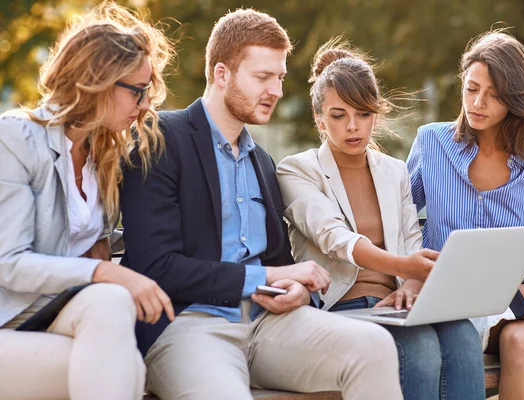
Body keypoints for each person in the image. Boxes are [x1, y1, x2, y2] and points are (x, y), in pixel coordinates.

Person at [119, 9, 403, 400]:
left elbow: (280, 262)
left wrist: (302, 292)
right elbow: (158, 266)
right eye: (262, 77)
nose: (277, 91)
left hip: (271, 323)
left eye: (281, 78)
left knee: (374, 348)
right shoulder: (161, 139)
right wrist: (264, 279)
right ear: (222, 74)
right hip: (189, 325)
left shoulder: (263, 163)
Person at [276, 38, 485, 400]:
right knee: (419, 348)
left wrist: (410, 285)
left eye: (364, 114)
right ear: (319, 118)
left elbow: (411, 241)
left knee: (463, 335)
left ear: (377, 112)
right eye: (339, 115)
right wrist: (406, 265)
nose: (353, 127)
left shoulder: (394, 171)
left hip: (397, 304)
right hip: (341, 307)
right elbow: (335, 238)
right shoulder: (296, 170)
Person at [0, 3, 175, 400]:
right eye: (137, 90)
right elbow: (8, 263)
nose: (145, 104)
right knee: (122, 364)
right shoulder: (15, 139)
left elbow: (100, 246)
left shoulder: (103, 155)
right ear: (97, 80)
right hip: (10, 323)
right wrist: (109, 273)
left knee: (112, 323)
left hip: (59, 315)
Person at [406, 30, 524, 399]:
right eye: (471, 88)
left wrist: (508, 258)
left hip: (508, 299)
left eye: (495, 95)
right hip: (447, 296)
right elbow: (399, 217)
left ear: (515, 98)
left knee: (520, 340)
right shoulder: (431, 143)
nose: (478, 102)